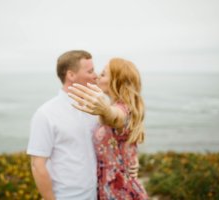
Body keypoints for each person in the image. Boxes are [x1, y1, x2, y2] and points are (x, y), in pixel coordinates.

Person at [27, 51, 139, 200]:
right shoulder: (46, 114)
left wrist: (129, 160)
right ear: (71, 75)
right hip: (66, 196)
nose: (96, 75)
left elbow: (118, 128)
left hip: (98, 193)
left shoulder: (97, 106)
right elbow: (37, 165)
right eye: (90, 71)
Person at [68, 58, 149, 199]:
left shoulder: (124, 110)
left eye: (104, 74)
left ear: (117, 81)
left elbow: (116, 117)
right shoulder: (119, 106)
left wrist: (105, 110)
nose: (98, 76)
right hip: (107, 188)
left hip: (121, 193)